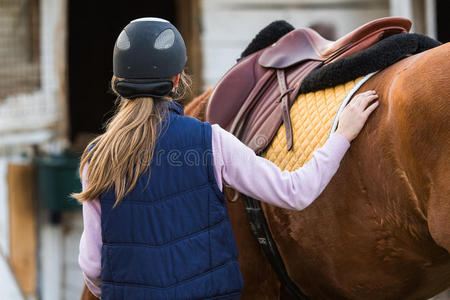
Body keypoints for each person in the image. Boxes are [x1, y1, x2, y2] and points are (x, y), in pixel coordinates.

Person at [74, 17, 379, 300]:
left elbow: (92, 266)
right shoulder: (211, 141)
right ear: (177, 79)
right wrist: (341, 136)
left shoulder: (95, 158)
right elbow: (295, 192)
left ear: (117, 81)